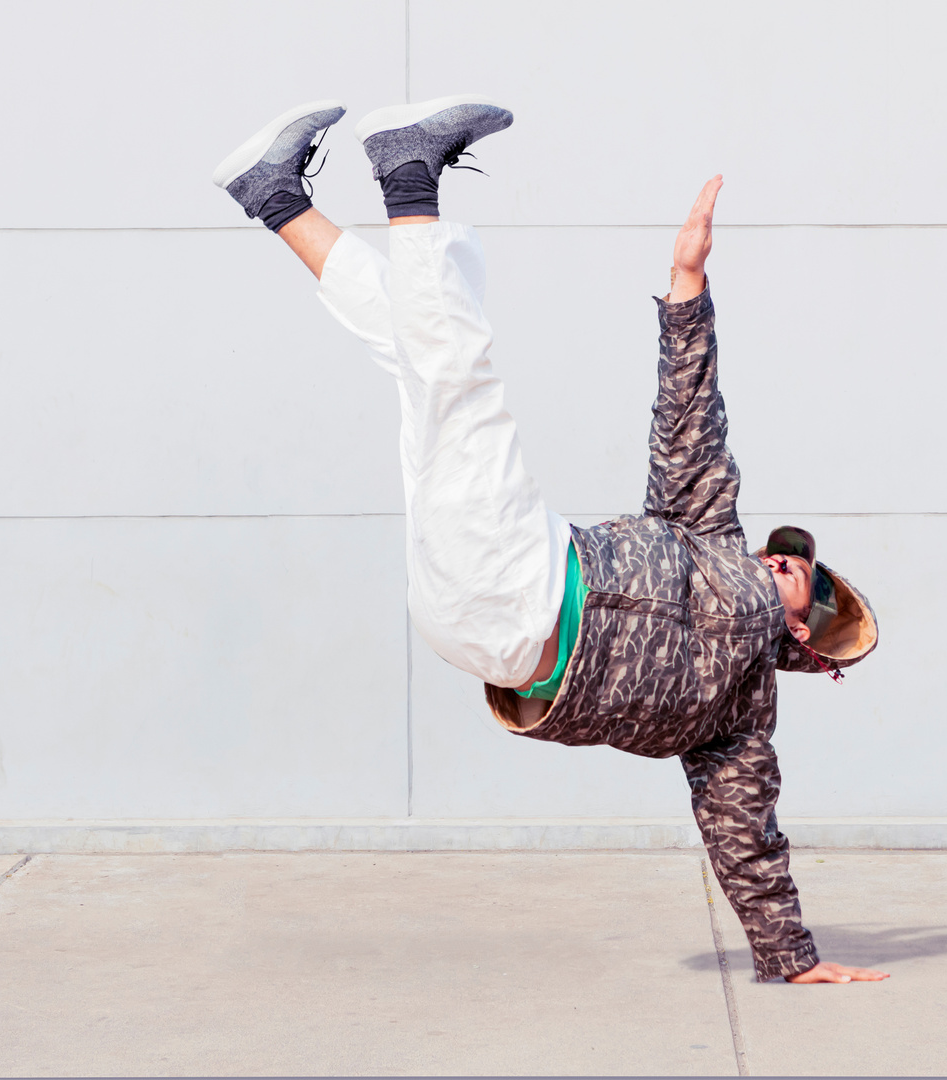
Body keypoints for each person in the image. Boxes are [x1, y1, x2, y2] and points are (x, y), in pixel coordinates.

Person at [213, 95, 885, 984]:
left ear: (805, 635)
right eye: (794, 555)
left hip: (524, 607)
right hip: (512, 585)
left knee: (455, 371)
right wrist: (687, 286)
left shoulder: (739, 719)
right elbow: (692, 419)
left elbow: (748, 839)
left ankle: (407, 170)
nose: (792, 559)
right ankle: (274, 196)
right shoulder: (711, 535)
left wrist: (791, 957)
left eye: (813, 581)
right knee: (421, 362)